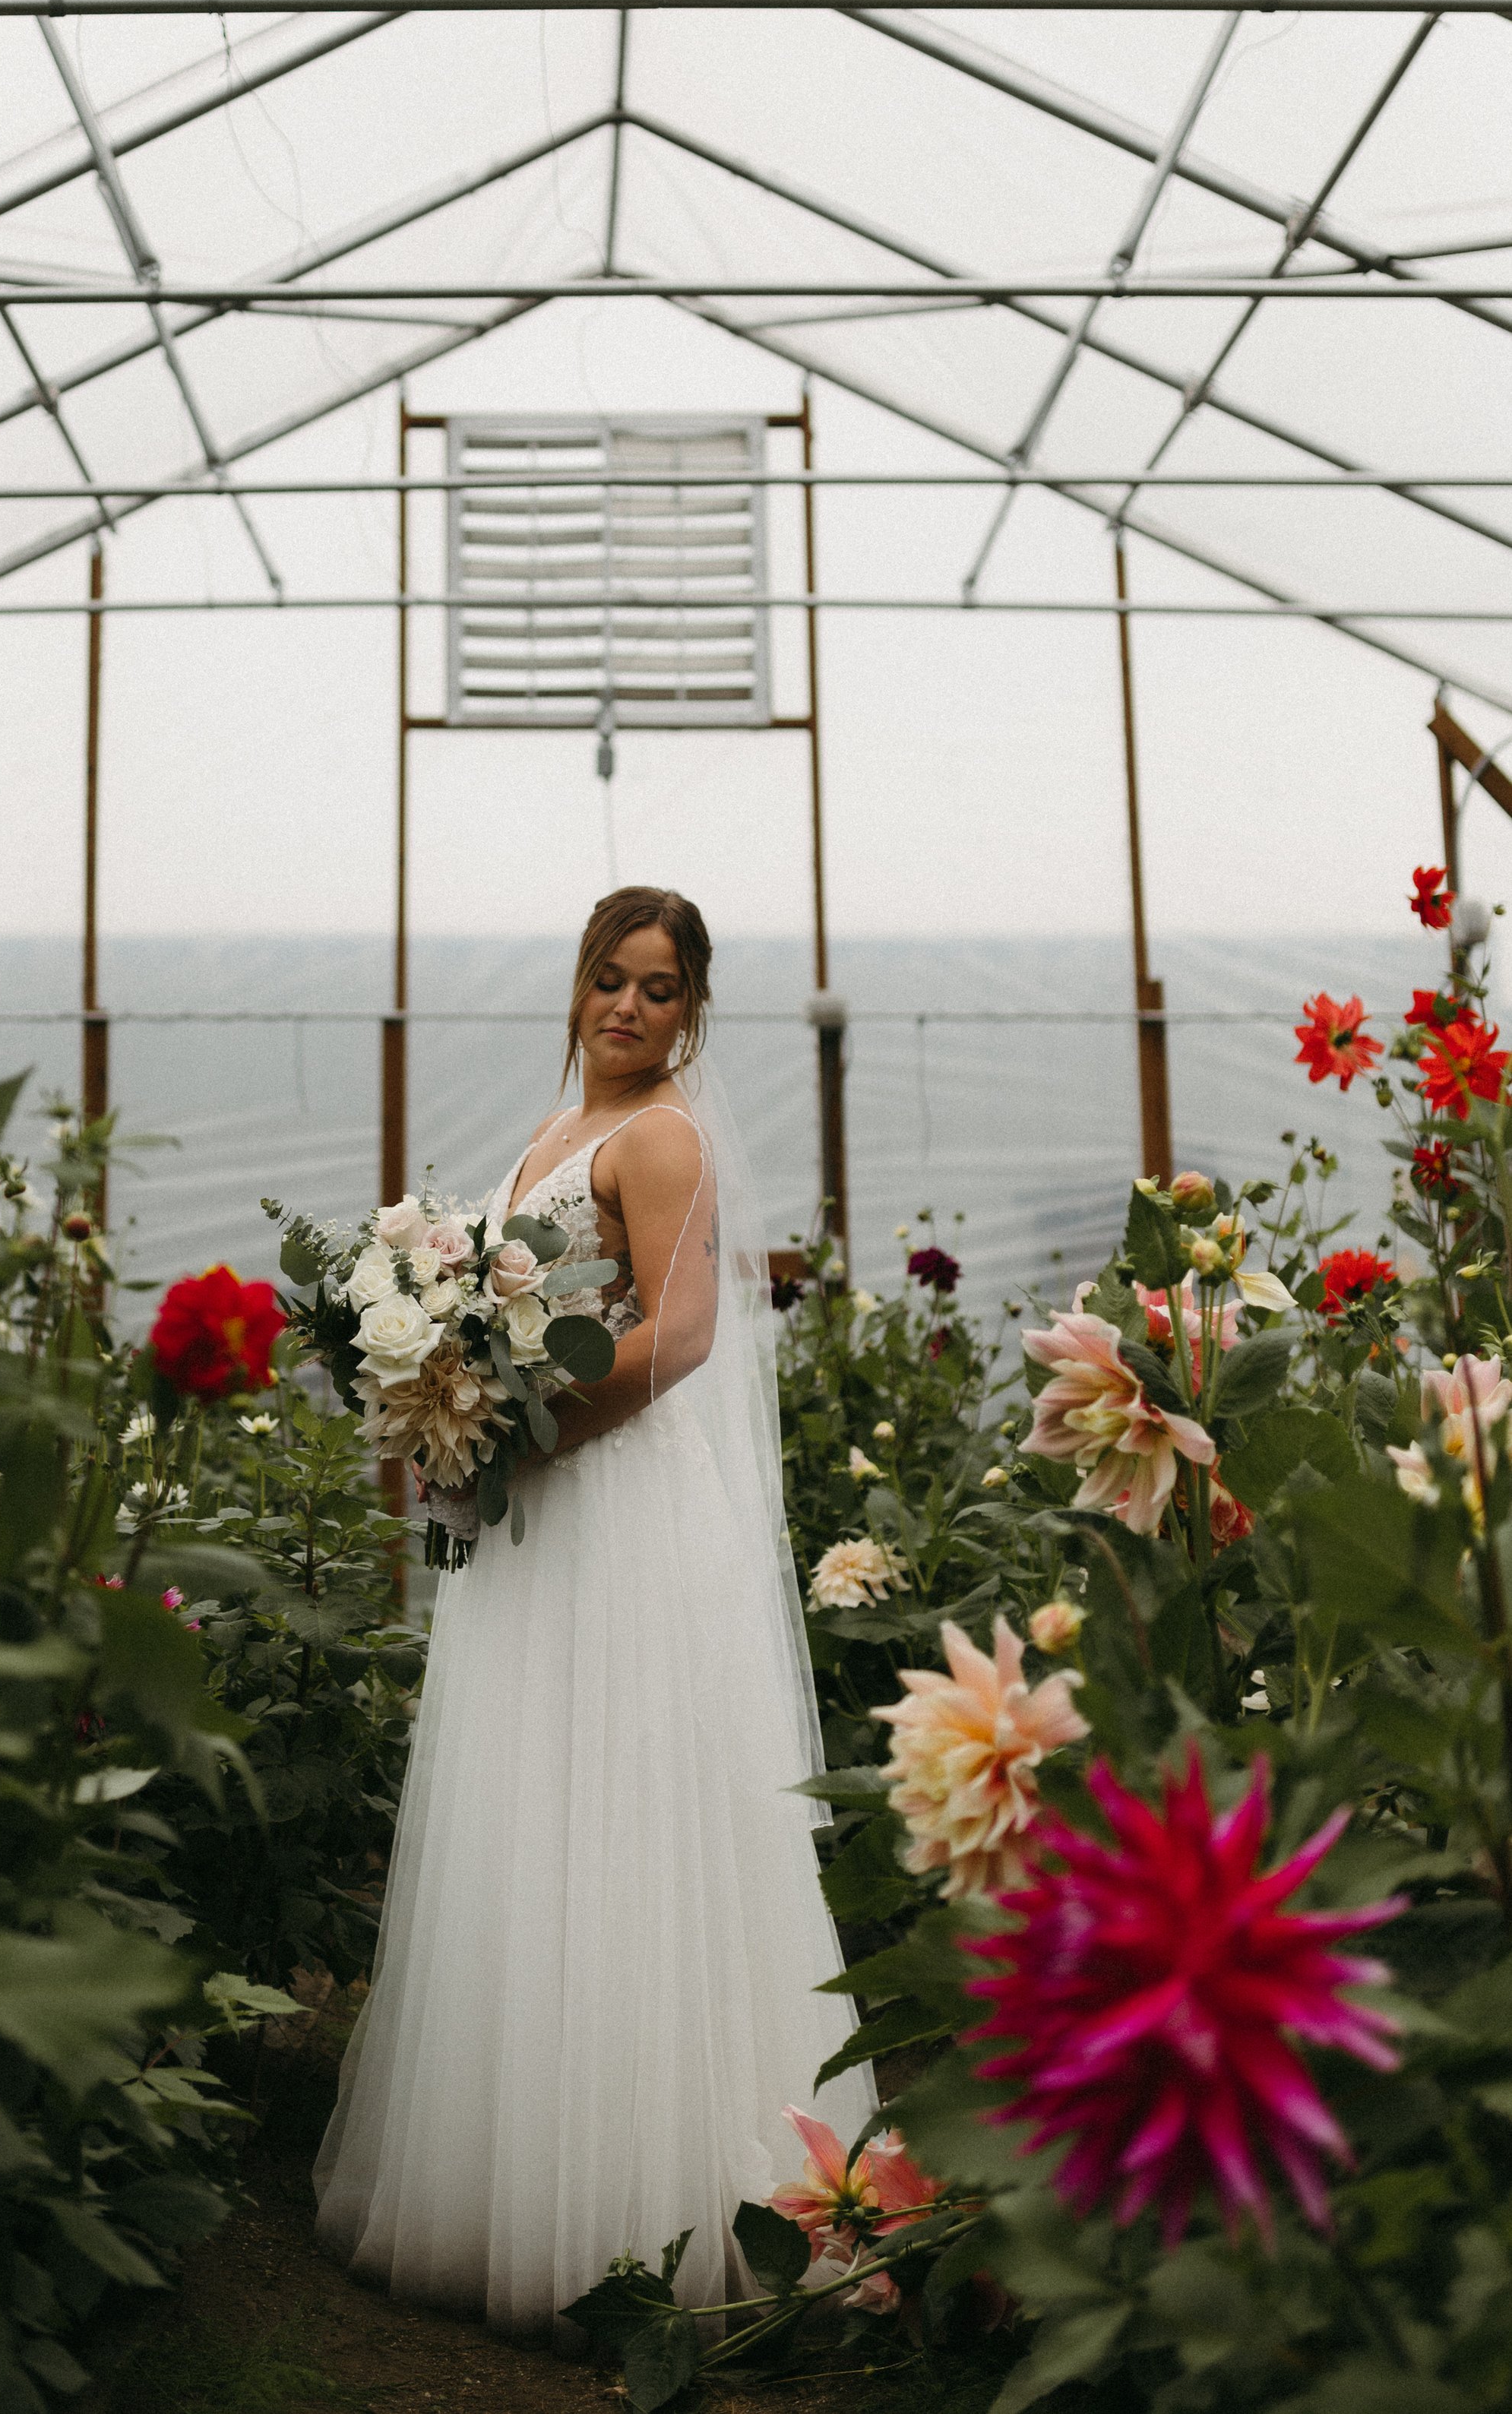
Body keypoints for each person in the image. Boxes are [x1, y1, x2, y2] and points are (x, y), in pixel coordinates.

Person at [314, 887, 872, 2342]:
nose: (631, 1008)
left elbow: (679, 1336)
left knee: (632, 1808)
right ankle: (512, 2174)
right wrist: (451, 1386)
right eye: (612, 981)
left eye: (662, 988)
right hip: (544, 1509)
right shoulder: (552, 1134)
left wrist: (521, 1420)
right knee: (535, 1805)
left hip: (615, 1501)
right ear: (577, 989)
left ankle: (658, 2199)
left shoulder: (665, 1135)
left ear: (692, 1011)